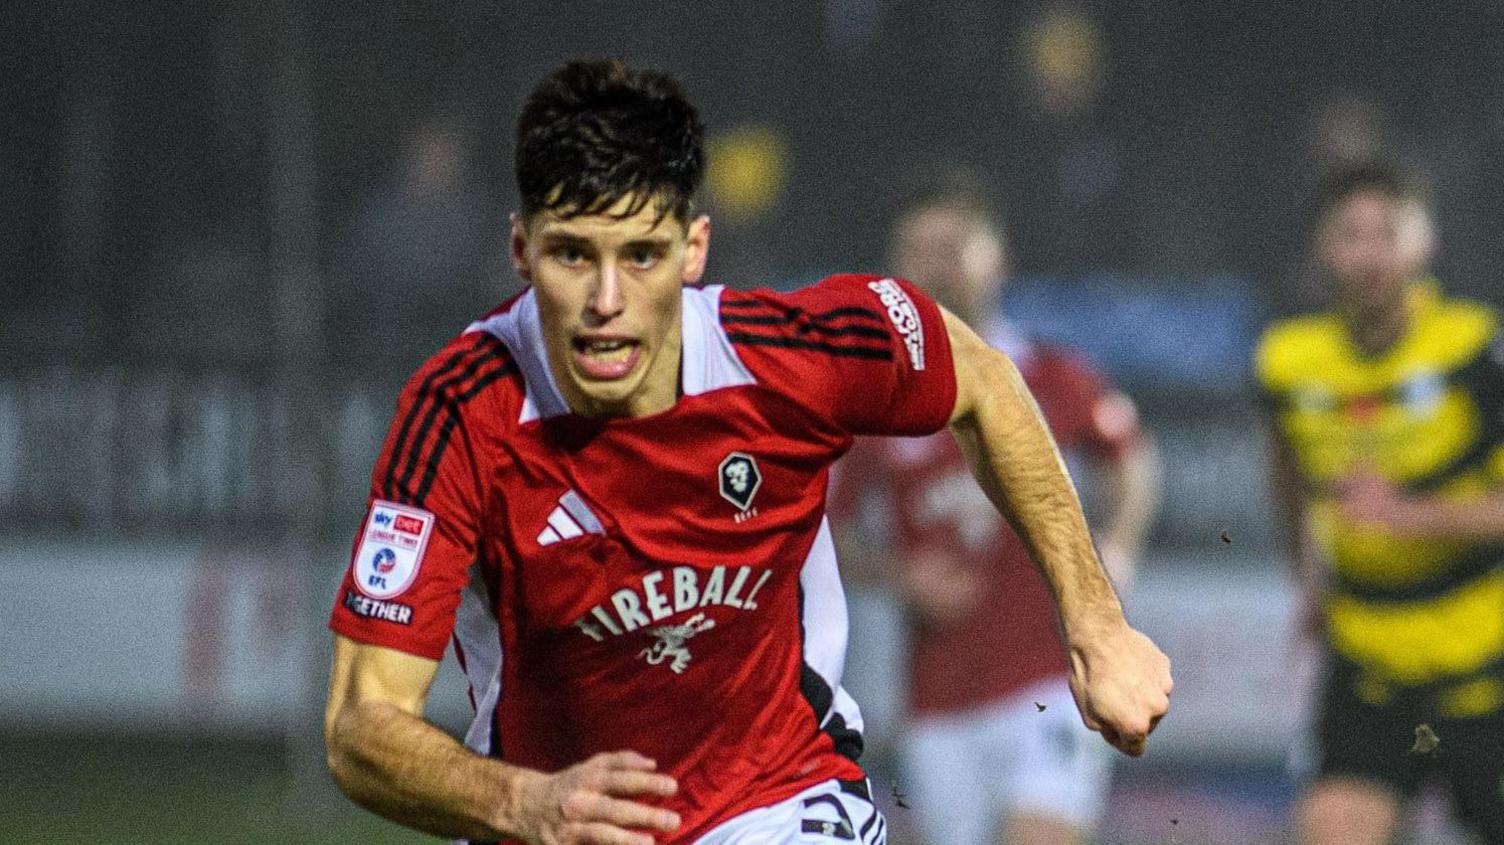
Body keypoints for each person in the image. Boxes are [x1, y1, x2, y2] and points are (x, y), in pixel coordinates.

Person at [323, 58, 1172, 845]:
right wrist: (524, 801)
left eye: (642, 255)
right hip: (557, 821)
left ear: (693, 250)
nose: (606, 302)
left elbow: (981, 380)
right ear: (521, 250)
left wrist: (1094, 620)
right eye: (573, 254)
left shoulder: (784, 357)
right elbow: (362, 724)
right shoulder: (459, 412)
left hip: (781, 800)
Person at [830, 180, 1162, 845]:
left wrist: (1118, 547)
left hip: (1051, 675)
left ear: (998, 259)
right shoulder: (873, 401)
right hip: (939, 697)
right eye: (917, 251)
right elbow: (827, 529)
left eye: (953, 247)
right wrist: (901, 576)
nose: (935, 266)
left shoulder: (1048, 375)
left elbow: (1132, 457)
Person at [1256, 161, 1504, 845]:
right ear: (1322, 249)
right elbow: (1285, 472)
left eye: (1388, 232)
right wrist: (1307, 575)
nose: (1369, 254)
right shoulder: (1288, 360)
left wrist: (1410, 515)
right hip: (1367, 664)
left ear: (1425, 242)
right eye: (1349, 234)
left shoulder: (1478, 350)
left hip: (1486, 660)